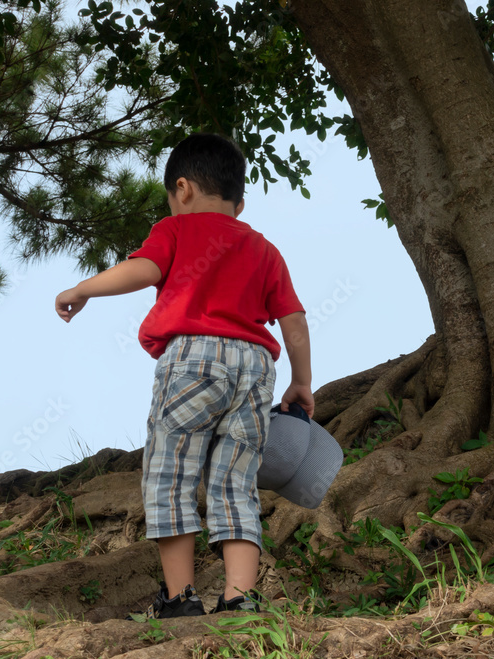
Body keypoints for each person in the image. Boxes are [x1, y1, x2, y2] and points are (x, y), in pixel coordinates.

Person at [55, 133, 313, 617]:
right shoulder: (264, 249)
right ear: (239, 202)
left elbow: (144, 271)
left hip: (193, 358)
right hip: (257, 367)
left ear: (183, 189)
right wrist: (302, 382)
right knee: (236, 481)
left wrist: (83, 288)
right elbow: (294, 320)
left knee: (171, 473)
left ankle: (179, 599)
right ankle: (240, 598)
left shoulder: (176, 231)